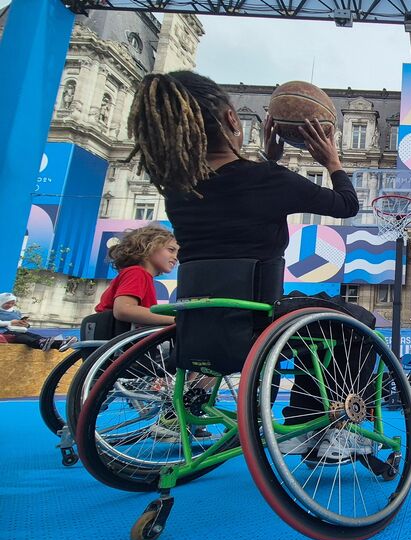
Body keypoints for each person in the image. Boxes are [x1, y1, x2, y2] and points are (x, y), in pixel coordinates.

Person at [126, 70, 360, 456]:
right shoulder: (271, 180)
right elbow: (346, 205)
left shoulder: (177, 189)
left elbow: (232, 191)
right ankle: (312, 425)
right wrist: (331, 160)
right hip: (258, 322)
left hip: (199, 326)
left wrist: (266, 161)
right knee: (354, 320)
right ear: (233, 121)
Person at [94, 224, 178, 327]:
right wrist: (175, 320)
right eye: (171, 250)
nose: (176, 257)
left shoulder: (141, 275)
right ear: (148, 246)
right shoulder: (137, 273)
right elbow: (124, 309)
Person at [0, 293, 76, 351]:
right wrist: (10, 323)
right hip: (4, 333)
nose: (10, 305)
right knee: (25, 338)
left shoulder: (16, 312)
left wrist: (25, 324)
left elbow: (20, 323)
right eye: (7, 303)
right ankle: (44, 344)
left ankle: (60, 344)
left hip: (19, 331)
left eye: (12, 303)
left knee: (35, 336)